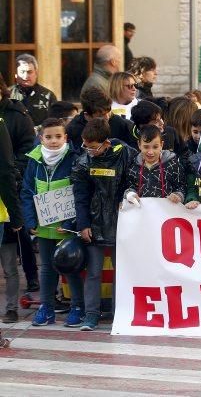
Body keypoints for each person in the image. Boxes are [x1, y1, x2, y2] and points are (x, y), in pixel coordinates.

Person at [72, 118, 137, 330]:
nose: (89, 151)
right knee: (93, 271)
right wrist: (83, 224)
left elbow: (134, 182)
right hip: (94, 223)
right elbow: (80, 196)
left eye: (92, 147)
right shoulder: (84, 162)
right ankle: (91, 314)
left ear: (106, 143)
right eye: (85, 146)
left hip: (121, 223)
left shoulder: (126, 154)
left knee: (122, 271)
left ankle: (120, 312)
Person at [21, 118, 85, 327]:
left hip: (66, 227)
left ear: (65, 137)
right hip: (44, 227)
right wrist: (30, 220)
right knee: (47, 268)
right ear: (41, 139)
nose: (54, 141)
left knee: (70, 268)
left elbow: (80, 193)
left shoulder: (74, 159)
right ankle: (46, 308)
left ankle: (78, 308)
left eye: (58, 136)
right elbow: (27, 191)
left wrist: (70, 223)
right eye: (49, 137)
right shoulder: (34, 160)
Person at [123, 124, 186, 208]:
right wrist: (130, 194)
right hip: (140, 215)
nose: (150, 152)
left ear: (161, 145)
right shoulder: (133, 165)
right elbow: (128, 186)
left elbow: (182, 186)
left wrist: (178, 196)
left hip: (166, 215)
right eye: (146, 147)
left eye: (155, 147)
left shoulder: (173, 164)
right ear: (139, 145)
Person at [0, 118, 24, 326]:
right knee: (9, 268)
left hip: (3, 215)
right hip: (3, 213)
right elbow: (6, 171)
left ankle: (11, 309)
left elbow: (7, 173)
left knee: (9, 267)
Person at [10, 54, 57, 126]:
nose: (26, 76)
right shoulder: (7, 95)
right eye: (22, 72)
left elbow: (54, 123)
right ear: (16, 74)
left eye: (29, 72)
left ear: (36, 73)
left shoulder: (48, 96)